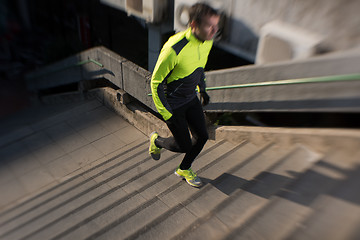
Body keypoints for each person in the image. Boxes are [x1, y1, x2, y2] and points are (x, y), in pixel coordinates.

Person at [149, 3, 220, 187]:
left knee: (202, 137)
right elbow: (156, 82)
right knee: (184, 146)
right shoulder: (174, 48)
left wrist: (202, 89)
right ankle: (156, 140)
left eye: (216, 25)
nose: (214, 30)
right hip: (173, 105)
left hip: (191, 98)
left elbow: (199, 68)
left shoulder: (208, 41)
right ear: (194, 24)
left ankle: (184, 168)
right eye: (209, 25)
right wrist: (166, 113)